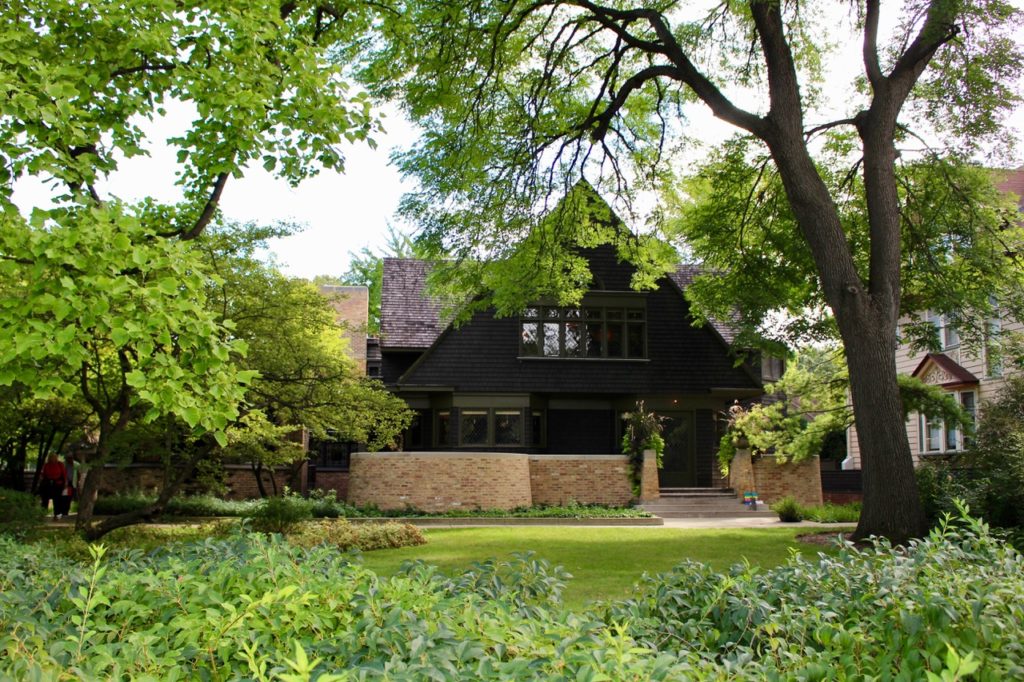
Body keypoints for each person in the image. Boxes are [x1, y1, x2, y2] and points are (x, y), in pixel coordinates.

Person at [39, 452, 67, 519]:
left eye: (54, 457)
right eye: (51, 457)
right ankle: (43, 513)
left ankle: (57, 514)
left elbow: (64, 474)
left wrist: (65, 483)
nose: (53, 458)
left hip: (58, 483)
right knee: (45, 499)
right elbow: (43, 474)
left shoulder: (60, 464)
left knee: (57, 499)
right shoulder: (46, 465)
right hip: (48, 483)